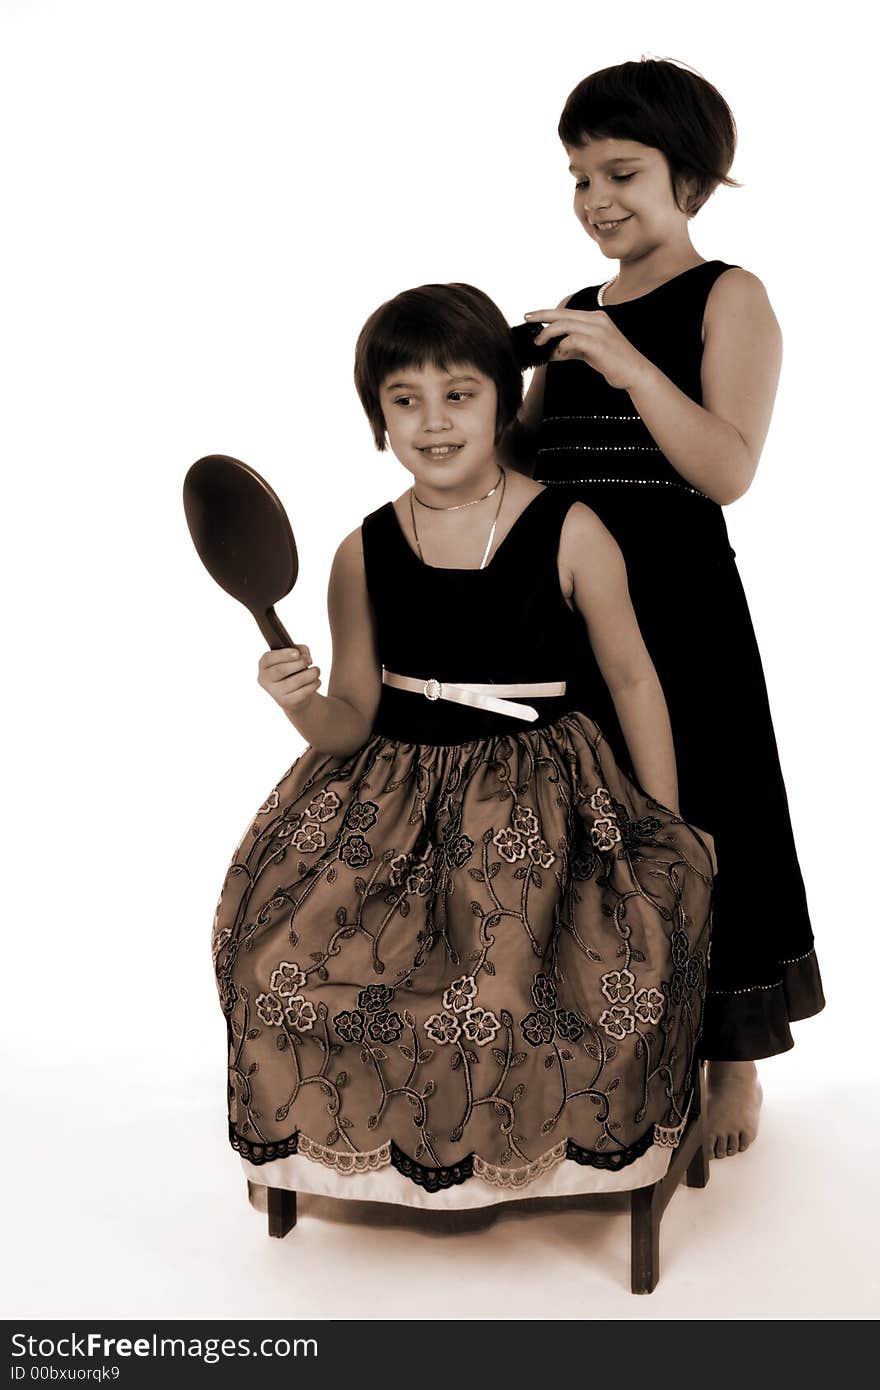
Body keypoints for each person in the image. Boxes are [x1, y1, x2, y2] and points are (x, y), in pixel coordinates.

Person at [211, 283, 714, 1210]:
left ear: (500, 398)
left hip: (537, 809)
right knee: (270, 958)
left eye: (459, 394)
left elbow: (636, 680)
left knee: (517, 989)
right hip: (391, 805)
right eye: (405, 400)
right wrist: (301, 701)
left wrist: (666, 823)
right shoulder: (361, 552)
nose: (434, 422)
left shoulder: (569, 528)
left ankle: (525, 1149)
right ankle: (344, 1142)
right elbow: (350, 719)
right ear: (378, 421)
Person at [515, 58, 824, 1160]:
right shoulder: (577, 314)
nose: (594, 197)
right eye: (576, 175)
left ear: (687, 179)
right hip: (571, 609)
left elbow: (727, 466)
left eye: (620, 171)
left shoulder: (728, 294)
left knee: (708, 809)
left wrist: (624, 360)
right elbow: (530, 469)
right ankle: (606, 1045)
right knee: (589, 825)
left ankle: (730, 1057)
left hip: (682, 610)